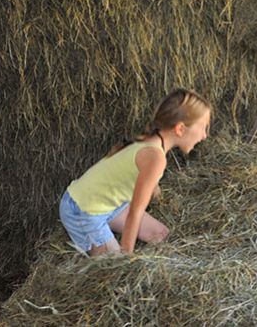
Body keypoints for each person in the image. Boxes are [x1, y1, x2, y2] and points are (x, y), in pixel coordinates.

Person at [59, 89, 212, 256]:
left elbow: (149, 183)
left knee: (161, 235)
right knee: (115, 268)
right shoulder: (155, 158)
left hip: (110, 205)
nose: (205, 136)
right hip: (83, 210)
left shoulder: (153, 144)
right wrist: (127, 259)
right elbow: (135, 213)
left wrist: (162, 199)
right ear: (180, 129)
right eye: (203, 127)